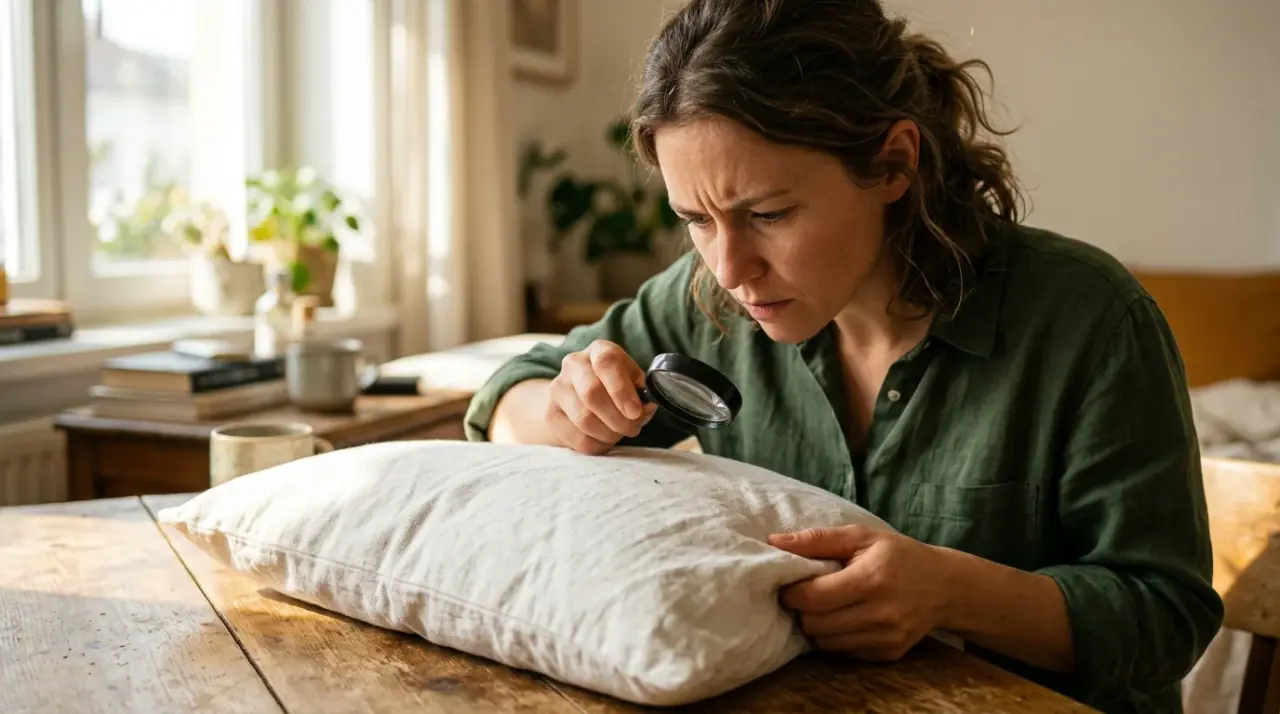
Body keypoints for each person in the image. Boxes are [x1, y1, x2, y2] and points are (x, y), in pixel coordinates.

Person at [463, 1, 1223, 712]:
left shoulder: (1090, 321)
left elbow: (1166, 615)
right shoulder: (709, 304)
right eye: (695, 219)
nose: (729, 269)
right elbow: (509, 395)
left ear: (893, 163)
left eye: (768, 214)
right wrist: (566, 410)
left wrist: (953, 592)